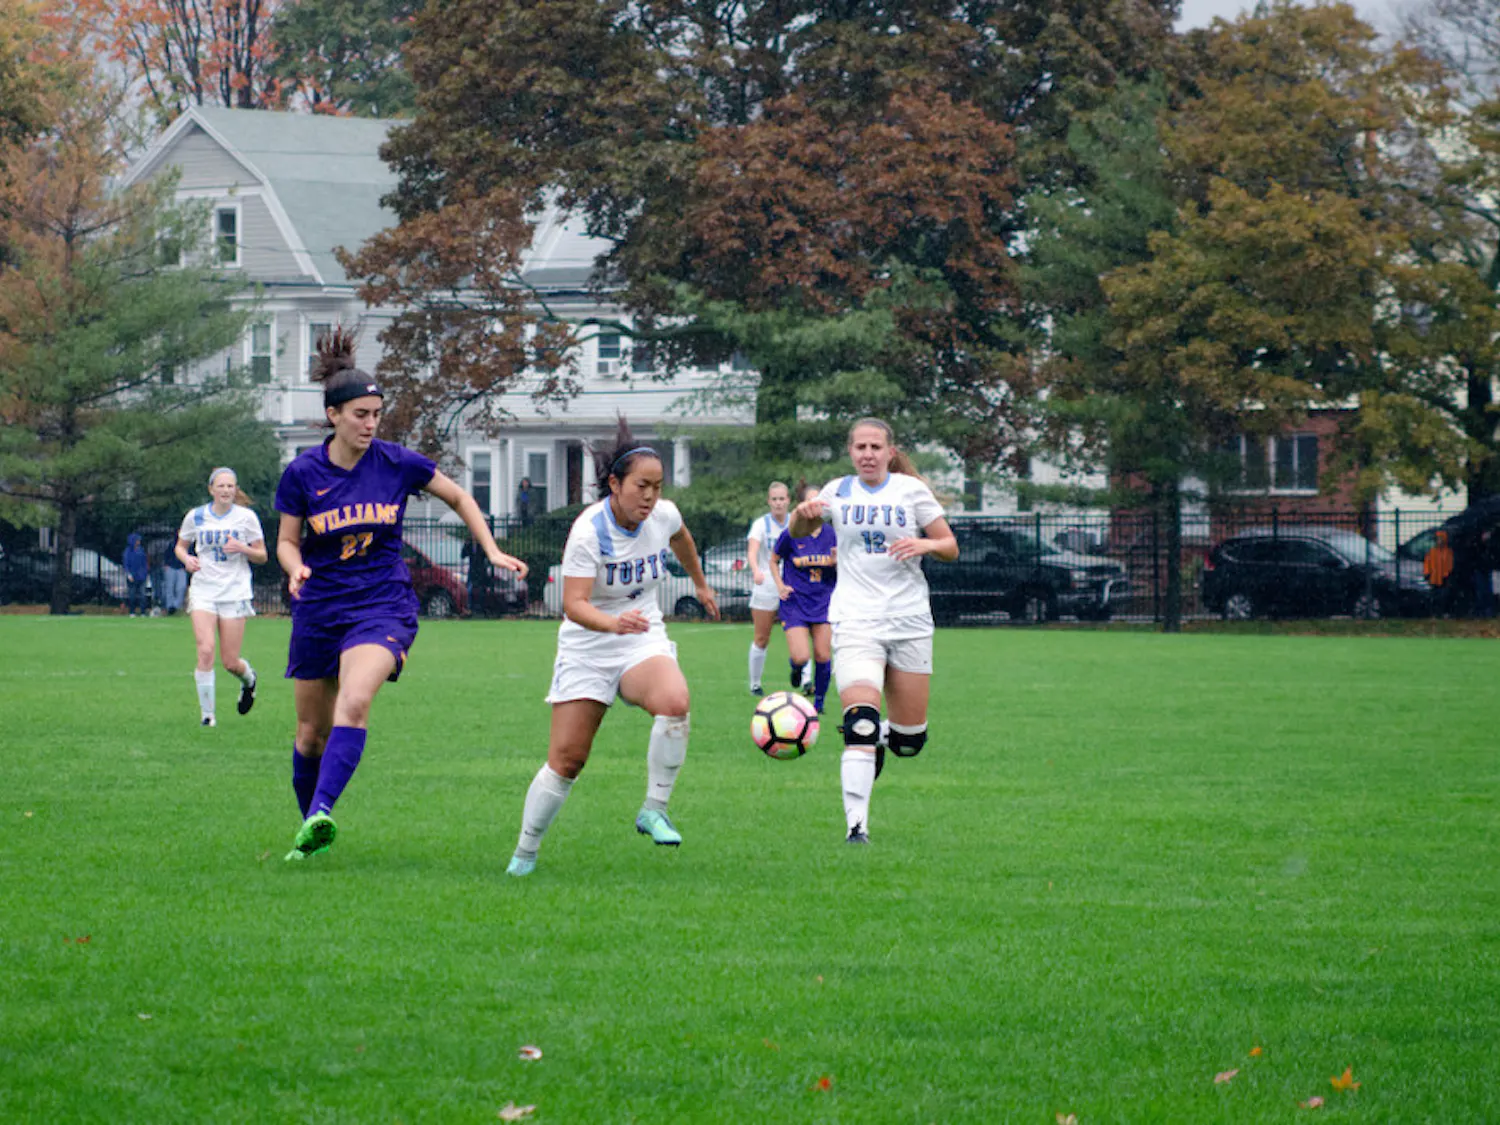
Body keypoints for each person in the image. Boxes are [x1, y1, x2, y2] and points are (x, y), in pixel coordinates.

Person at [275, 328, 527, 862]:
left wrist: (492, 549)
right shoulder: (302, 473)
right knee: (310, 735)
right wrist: (295, 569)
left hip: (381, 605)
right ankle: (309, 833)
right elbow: (287, 541)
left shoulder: (396, 462)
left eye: (376, 414)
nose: (371, 424)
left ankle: (322, 811)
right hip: (320, 608)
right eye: (360, 414)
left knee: (355, 701)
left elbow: (459, 497)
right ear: (333, 415)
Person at [505, 426, 719, 877]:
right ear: (615, 485)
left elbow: (682, 538)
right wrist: (612, 624)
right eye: (642, 485)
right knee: (568, 760)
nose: (650, 496)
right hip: (588, 646)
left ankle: (654, 810)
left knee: (675, 701)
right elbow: (574, 604)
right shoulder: (589, 532)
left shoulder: (662, 515)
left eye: (657, 486)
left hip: (641, 637)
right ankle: (524, 853)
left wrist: (700, 584)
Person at [788, 417, 958, 845]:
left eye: (875, 447)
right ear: (851, 452)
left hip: (909, 621)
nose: (867, 454)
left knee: (908, 741)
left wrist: (925, 544)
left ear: (890, 452)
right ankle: (856, 827)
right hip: (855, 621)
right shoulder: (837, 491)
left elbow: (950, 546)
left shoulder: (911, 491)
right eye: (860, 447)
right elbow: (799, 532)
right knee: (859, 723)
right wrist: (801, 517)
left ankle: (882, 738)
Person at [176, 468, 268, 726]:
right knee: (205, 649)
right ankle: (208, 716)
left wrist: (242, 548)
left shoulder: (246, 518)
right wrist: (187, 559)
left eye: (230, 486)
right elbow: (180, 547)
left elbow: (262, 555)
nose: (226, 490)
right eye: (221, 486)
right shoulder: (196, 516)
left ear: (235, 490)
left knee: (230, 662)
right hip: (204, 589)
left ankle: (249, 680)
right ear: (211, 489)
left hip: (234, 591)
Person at [770, 482, 837, 713]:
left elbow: (848, 566)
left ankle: (818, 704)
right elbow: (773, 560)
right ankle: (796, 668)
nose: (814, 507)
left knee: (823, 654)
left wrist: (838, 563)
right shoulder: (792, 533)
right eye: (810, 502)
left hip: (824, 601)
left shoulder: (833, 534)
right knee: (801, 656)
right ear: (801, 506)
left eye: (819, 502)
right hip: (795, 602)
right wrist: (780, 586)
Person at [746, 481, 792, 695]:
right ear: (769, 501)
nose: (778, 503)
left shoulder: (796, 522)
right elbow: (752, 551)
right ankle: (755, 683)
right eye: (774, 499)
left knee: (801, 633)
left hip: (792, 583)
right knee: (762, 637)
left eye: (782, 499)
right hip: (767, 584)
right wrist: (756, 570)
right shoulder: (761, 524)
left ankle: (806, 680)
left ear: (788, 500)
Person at [462, 534, 495, 617]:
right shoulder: (469, 544)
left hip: (481, 570)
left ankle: (483, 609)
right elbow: (463, 555)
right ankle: (470, 608)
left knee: (482, 590)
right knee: (469, 589)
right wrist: (465, 545)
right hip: (472, 570)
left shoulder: (481, 545)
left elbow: (487, 556)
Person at [123, 533, 149, 617]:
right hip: (132, 576)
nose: (139, 542)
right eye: (137, 540)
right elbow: (126, 564)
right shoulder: (127, 551)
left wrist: (145, 573)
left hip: (142, 576)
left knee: (142, 594)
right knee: (132, 595)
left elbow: (144, 563)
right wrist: (128, 574)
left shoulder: (141, 550)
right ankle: (132, 612)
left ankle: (143, 612)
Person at [160, 546, 187, 615]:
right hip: (170, 567)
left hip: (181, 568)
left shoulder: (186, 544)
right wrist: (166, 564)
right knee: (169, 588)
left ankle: (175, 606)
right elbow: (166, 554)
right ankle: (169, 607)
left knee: (181, 587)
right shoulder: (171, 544)